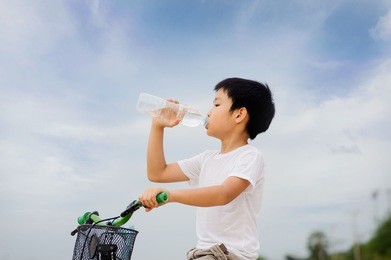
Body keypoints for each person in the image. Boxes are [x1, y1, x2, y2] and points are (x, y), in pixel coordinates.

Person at [138, 77, 275, 260]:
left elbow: (223, 194)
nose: (209, 112)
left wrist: (171, 196)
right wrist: (157, 126)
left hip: (230, 255)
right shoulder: (206, 159)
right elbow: (157, 173)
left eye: (217, 105)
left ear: (239, 114)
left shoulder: (250, 156)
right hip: (203, 253)